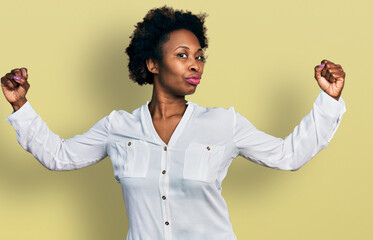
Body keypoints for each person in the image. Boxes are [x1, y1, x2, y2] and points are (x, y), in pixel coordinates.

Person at [1, 6, 346, 240]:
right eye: (182, 55)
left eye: (199, 56)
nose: (195, 64)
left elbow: (288, 155)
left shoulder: (224, 124)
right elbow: (60, 156)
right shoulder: (118, 127)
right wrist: (21, 105)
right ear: (152, 64)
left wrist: (328, 100)